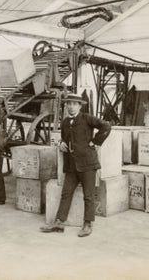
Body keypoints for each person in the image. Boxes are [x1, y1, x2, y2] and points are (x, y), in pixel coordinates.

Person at [40, 93, 111, 237]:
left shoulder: (86, 118)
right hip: (72, 165)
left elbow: (106, 126)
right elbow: (63, 138)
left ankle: (87, 224)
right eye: (69, 104)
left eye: (74, 104)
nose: (71, 106)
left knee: (88, 196)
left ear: (79, 105)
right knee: (66, 194)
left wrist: (95, 142)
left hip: (87, 164)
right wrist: (61, 143)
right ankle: (59, 222)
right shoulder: (65, 122)